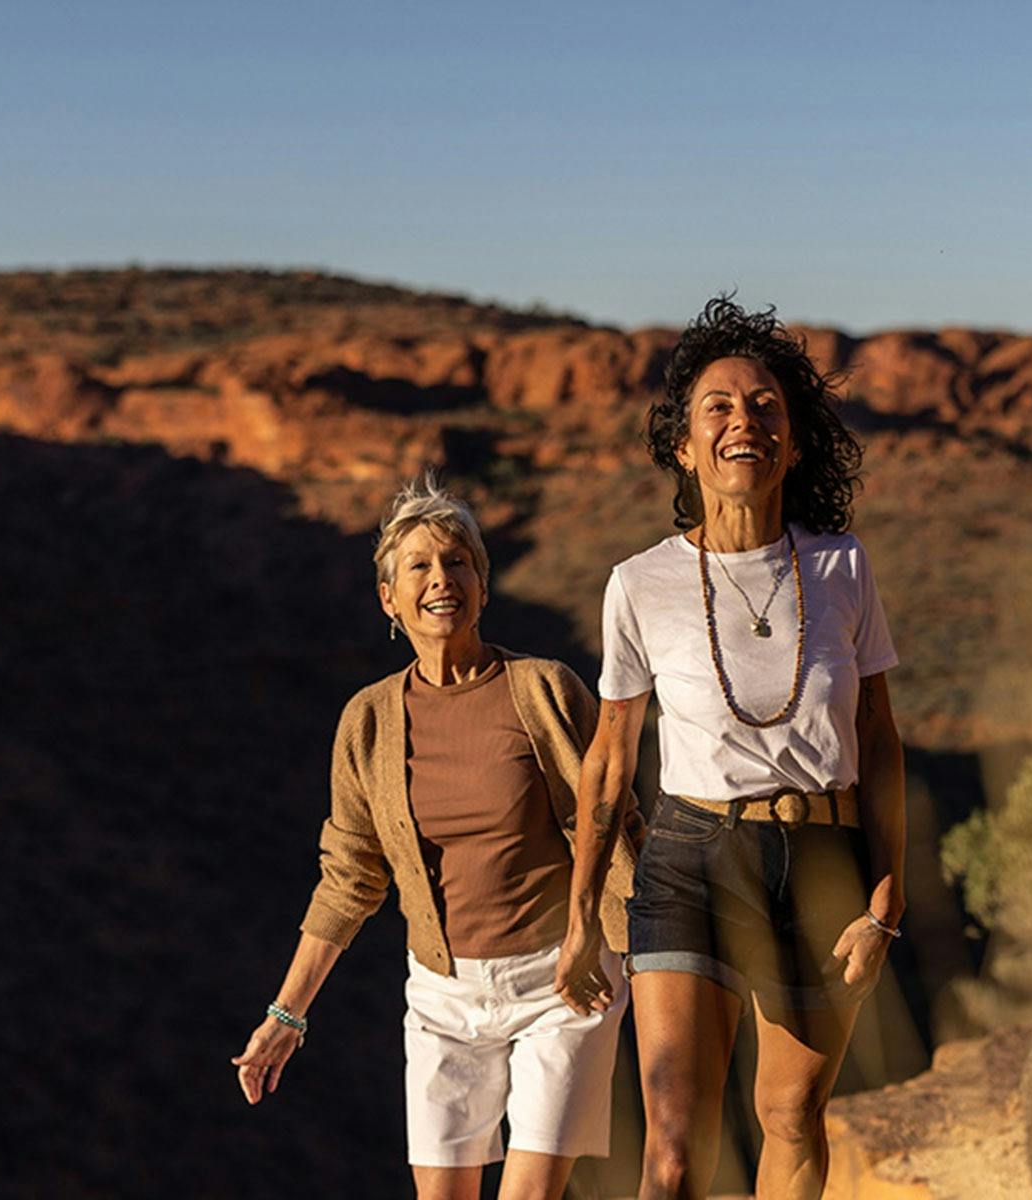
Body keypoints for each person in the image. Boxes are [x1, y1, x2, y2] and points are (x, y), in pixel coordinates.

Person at [554, 297, 907, 1200]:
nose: (742, 421)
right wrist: (579, 915)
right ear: (684, 444)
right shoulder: (639, 585)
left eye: (764, 407)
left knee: (790, 1117)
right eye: (718, 406)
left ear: (790, 443)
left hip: (824, 858)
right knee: (674, 1149)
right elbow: (608, 761)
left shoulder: (842, 568)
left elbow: (878, 738)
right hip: (689, 858)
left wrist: (886, 897)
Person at [233, 475, 642, 1200]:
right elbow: (350, 877)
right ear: (388, 599)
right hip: (443, 999)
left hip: (564, 983)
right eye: (418, 566)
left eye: (458, 562)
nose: (440, 579)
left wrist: (631, 952)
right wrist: (285, 1015)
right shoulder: (368, 721)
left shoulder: (545, 689)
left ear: (483, 586)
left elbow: (610, 825)